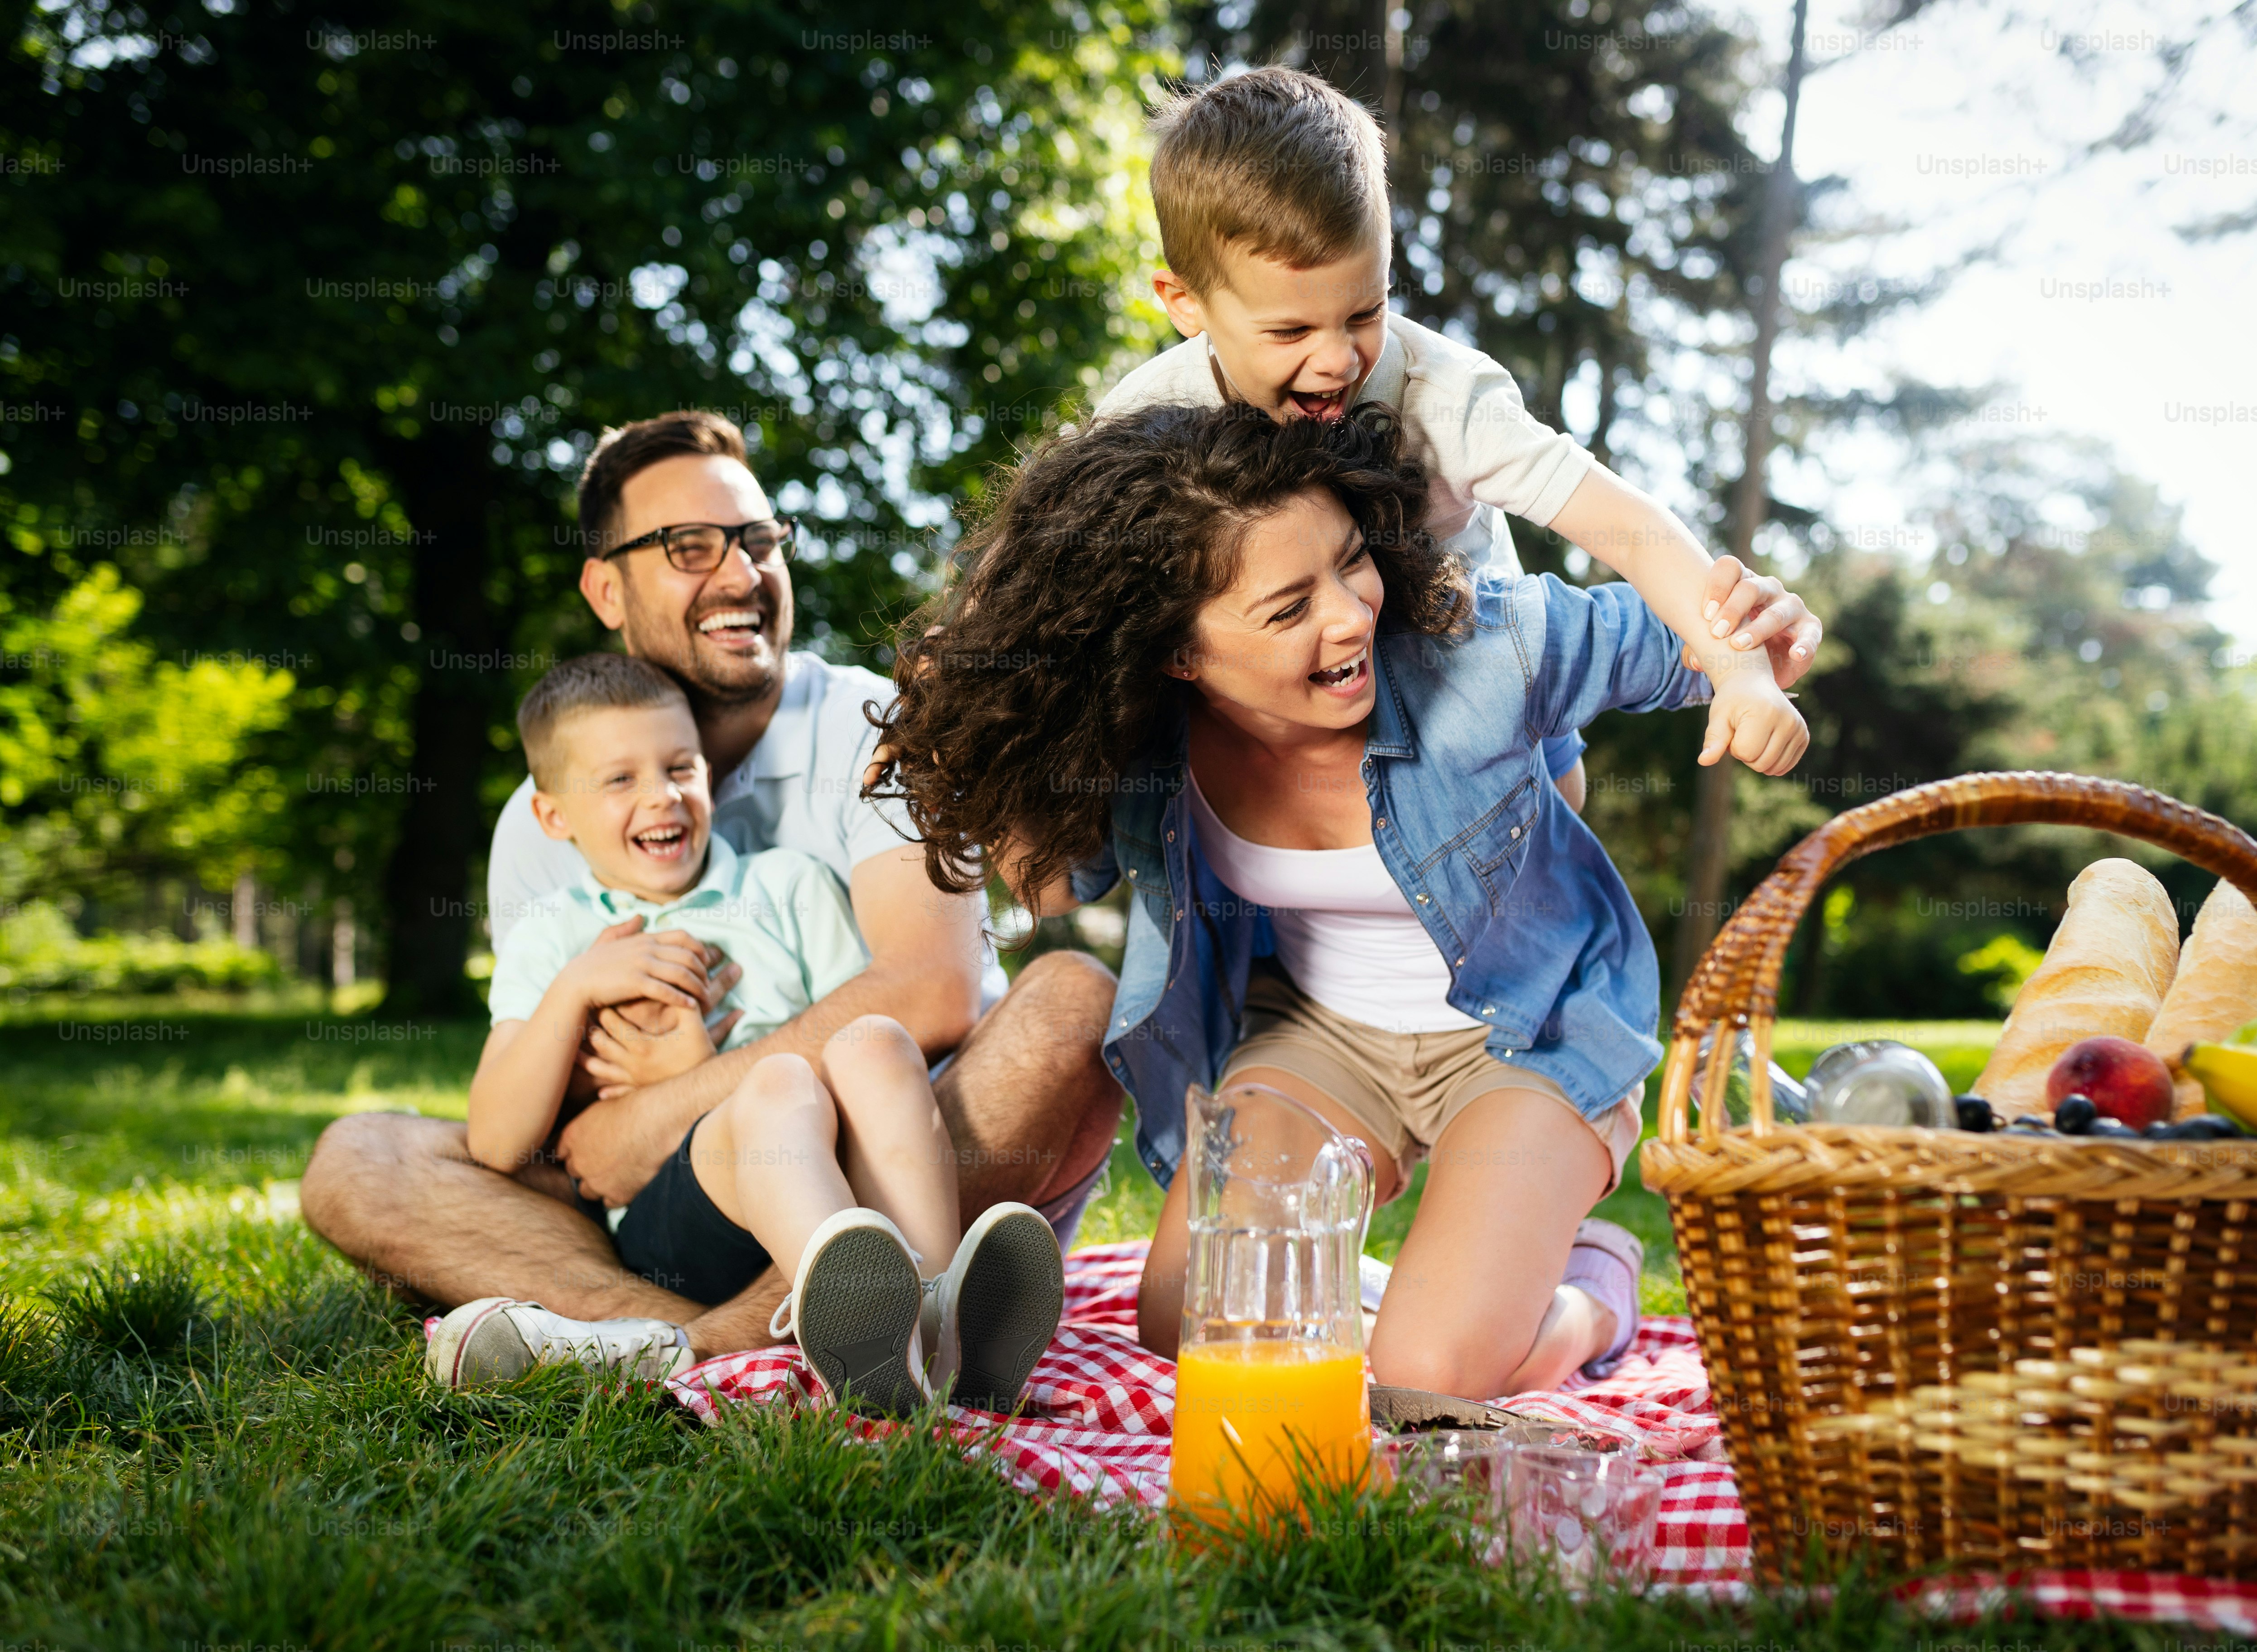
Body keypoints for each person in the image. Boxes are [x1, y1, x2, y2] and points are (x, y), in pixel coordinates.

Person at [873, 403, 1810, 1401]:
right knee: (1192, 1321)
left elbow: (1691, 632)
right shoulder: (1153, 751)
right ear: (1178, 653)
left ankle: (1590, 1292)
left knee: (1427, 1381)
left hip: (1532, 1029)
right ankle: (1427, 1290)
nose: (1351, 615)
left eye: (1350, 561)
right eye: (1288, 608)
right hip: (1321, 1035)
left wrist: (1759, 650)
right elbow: (1054, 886)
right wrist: (965, 755)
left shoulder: (1478, 652)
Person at [301, 411, 1125, 1378]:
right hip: (658, 1208)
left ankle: (705, 1343)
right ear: (606, 587)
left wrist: (665, 1106)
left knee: (1073, 998)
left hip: (904, 1155)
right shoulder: (540, 816)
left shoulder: (879, 736)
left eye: (759, 541)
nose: (740, 576)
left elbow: (934, 995)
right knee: (361, 1159)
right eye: (690, 548)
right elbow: (539, 1124)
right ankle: (695, 1333)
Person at [1096, 66, 1825, 813]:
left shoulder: (1445, 396)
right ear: (1185, 303)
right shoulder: (1148, 417)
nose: (1339, 360)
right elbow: (1057, 572)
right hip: (1309, 669)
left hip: (1469, 640)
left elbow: (1629, 527)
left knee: (1561, 796)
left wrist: (1739, 671)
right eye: (1290, 331)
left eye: (1365, 311)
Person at [425, 653, 1062, 1410]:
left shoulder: (787, 885)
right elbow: (497, 1140)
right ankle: (854, 1323)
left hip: (820, 1166)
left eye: (681, 767)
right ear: (554, 815)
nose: (662, 797)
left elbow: (854, 1046)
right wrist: (579, 989)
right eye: (620, 780)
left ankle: (931, 1316)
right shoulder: (558, 938)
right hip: (681, 1226)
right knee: (779, 1079)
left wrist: (697, 1067)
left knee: (877, 1043)